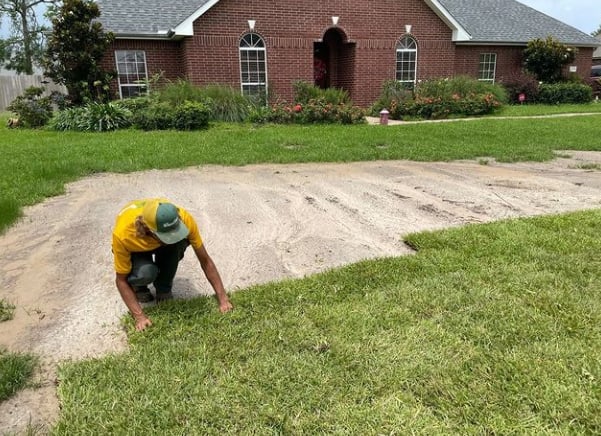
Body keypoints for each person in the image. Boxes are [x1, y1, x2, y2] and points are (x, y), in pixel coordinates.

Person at [111, 198, 233, 331]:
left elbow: (205, 260)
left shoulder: (185, 219)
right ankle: (139, 287)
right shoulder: (123, 235)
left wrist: (223, 299)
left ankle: (163, 289)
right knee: (146, 272)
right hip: (136, 246)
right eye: (167, 236)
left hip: (154, 237)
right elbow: (121, 280)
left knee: (177, 244)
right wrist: (140, 317)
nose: (171, 238)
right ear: (148, 229)